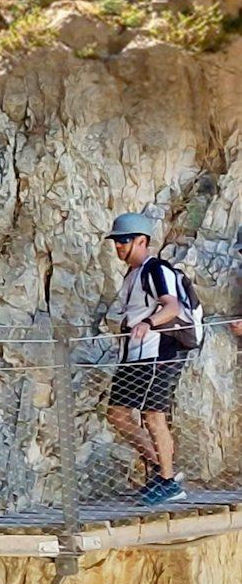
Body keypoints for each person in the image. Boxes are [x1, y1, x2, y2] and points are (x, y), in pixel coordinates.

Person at [104, 213, 190, 505]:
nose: (118, 246)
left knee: (154, 416)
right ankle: (159, 467)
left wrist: (149, 324)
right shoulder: (133, 274)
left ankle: (168, 483)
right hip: (134, 355)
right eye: (116, 241)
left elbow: (172, 306)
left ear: (142, 241)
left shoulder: (156, 269)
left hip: (157, 352)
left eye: (124, 241)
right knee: (116, 413)